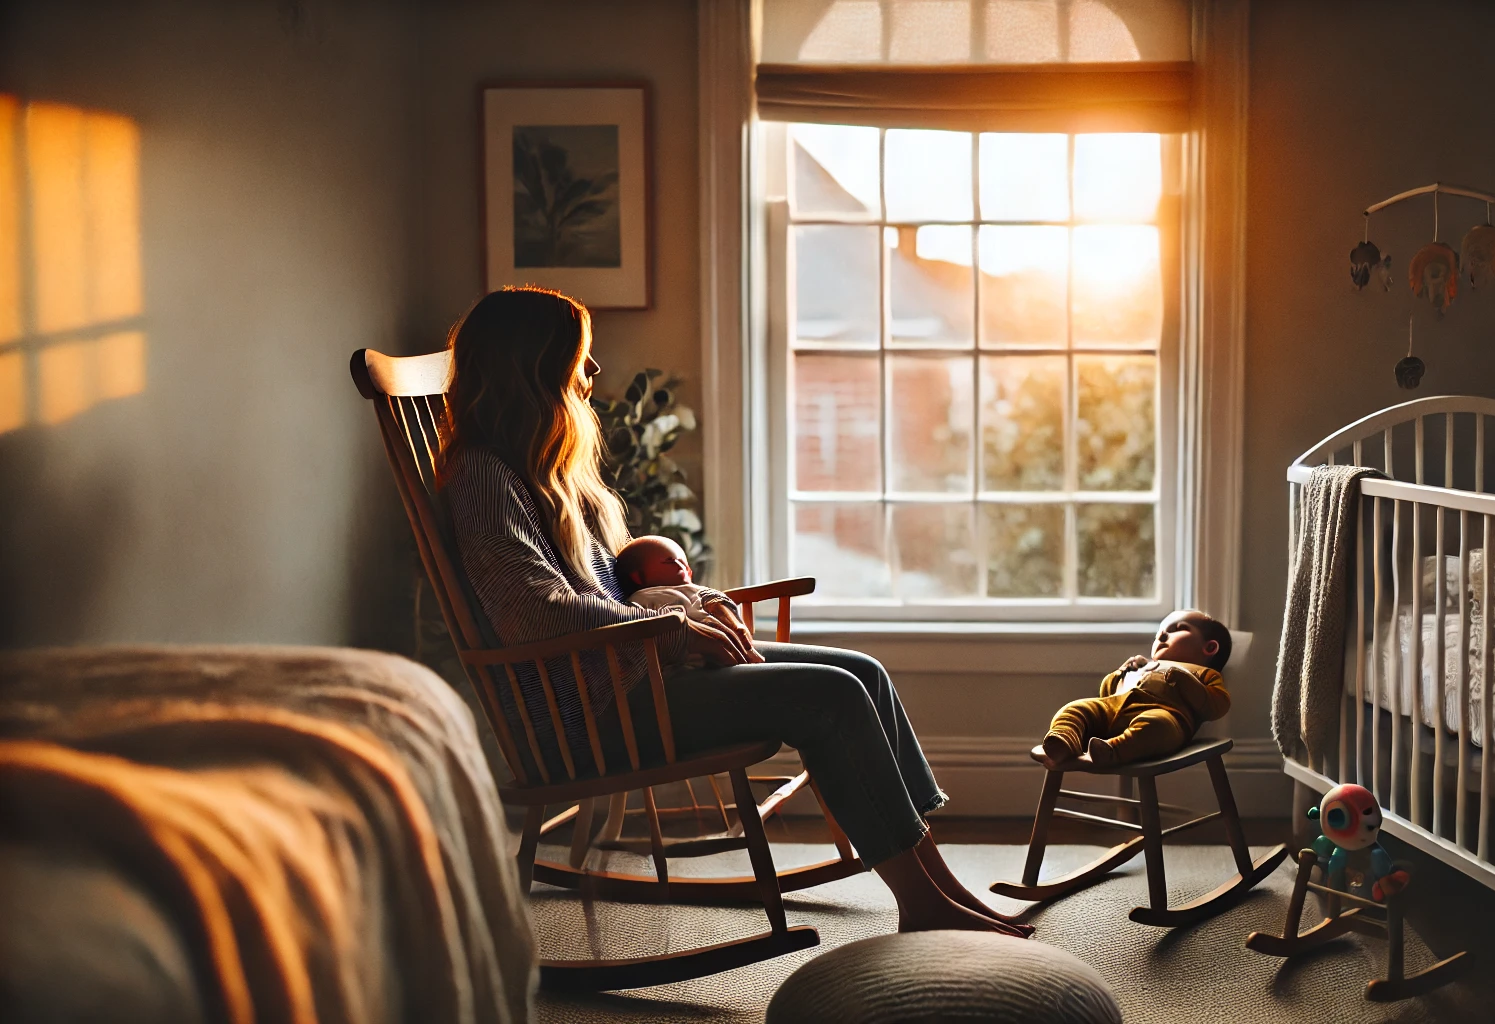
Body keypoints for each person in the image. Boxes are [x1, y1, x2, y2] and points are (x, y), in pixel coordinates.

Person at [436, 285, 1028, 937]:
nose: (594, 370)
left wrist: (692, 611)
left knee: (863, 672)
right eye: (580, 356)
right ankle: (921, 903)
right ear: (534, 366)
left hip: (635, 677)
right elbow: (536, 613)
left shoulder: (540, 471)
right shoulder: (483, 476)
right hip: (596, 713)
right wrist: (677, 631)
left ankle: (940, 887)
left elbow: (612, 591)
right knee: (830, 697)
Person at [1040, 610, 1233, 769]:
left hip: (1163, 714)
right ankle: (1064, 741)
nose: (1162, 636)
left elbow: (1217, 706)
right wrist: (1120, 673)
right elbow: (1107, 694)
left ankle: (1112, 751)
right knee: (1076, 709)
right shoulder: (1143, 665)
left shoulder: (1203, 673)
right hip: (1112, 709)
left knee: (1156, 725)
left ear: (1209, 648)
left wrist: (1187, 682)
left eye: (1178, 629)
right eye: (1159, 633)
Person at [615, 535, 762, 666]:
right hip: (682, 668)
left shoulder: (696, 591)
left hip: (728, 650)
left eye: (684, 563)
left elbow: (716, 599)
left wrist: (737, 627)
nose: (683, 567)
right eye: (670, 562)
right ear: (638, 577)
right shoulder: (642, 599)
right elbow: (639, 632)